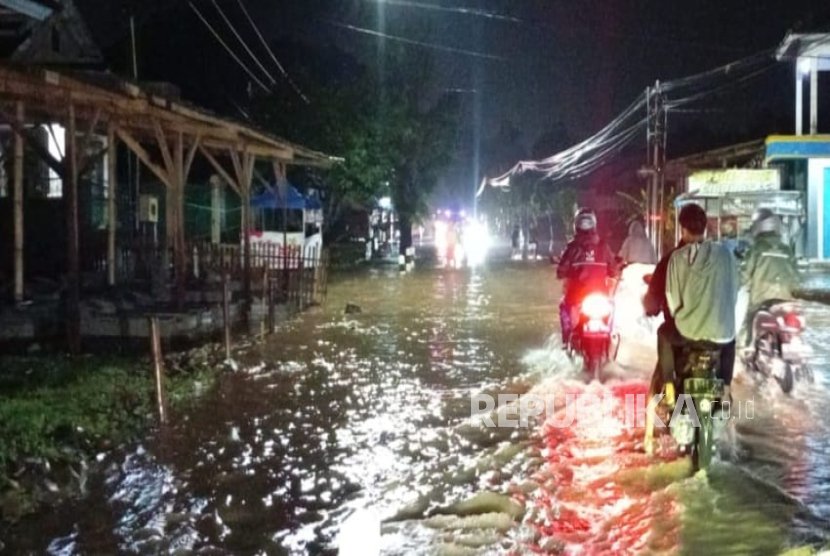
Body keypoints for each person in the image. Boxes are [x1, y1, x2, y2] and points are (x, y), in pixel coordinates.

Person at [644, 204, 738, 453]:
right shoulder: (725, 256)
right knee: (731, 339)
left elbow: (666, 302)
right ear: (706, 227)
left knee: (664, 340)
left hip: (684, 334)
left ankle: (669, 392)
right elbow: (735, 291)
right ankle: (726, 390)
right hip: (721, 336)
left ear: (682, 229)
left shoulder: (672, 260)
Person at [556, 208, 619, 344]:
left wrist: (563, 271)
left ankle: (567, 340)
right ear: (594, 224)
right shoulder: (603, 246)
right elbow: (614, 270)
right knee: (613, 305)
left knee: (563, 306)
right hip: (600, 296)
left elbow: (560, 272)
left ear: (576, 225)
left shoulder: (571, 248)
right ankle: (610, 335)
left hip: (577, 298)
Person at [740, 209, 800, 346]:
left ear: (757, 227)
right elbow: (797, 278)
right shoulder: (787, 250)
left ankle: (749, 349)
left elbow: (743, 276)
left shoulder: (755, 249)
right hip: (787, 303)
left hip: (761, 303)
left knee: (748, 331)